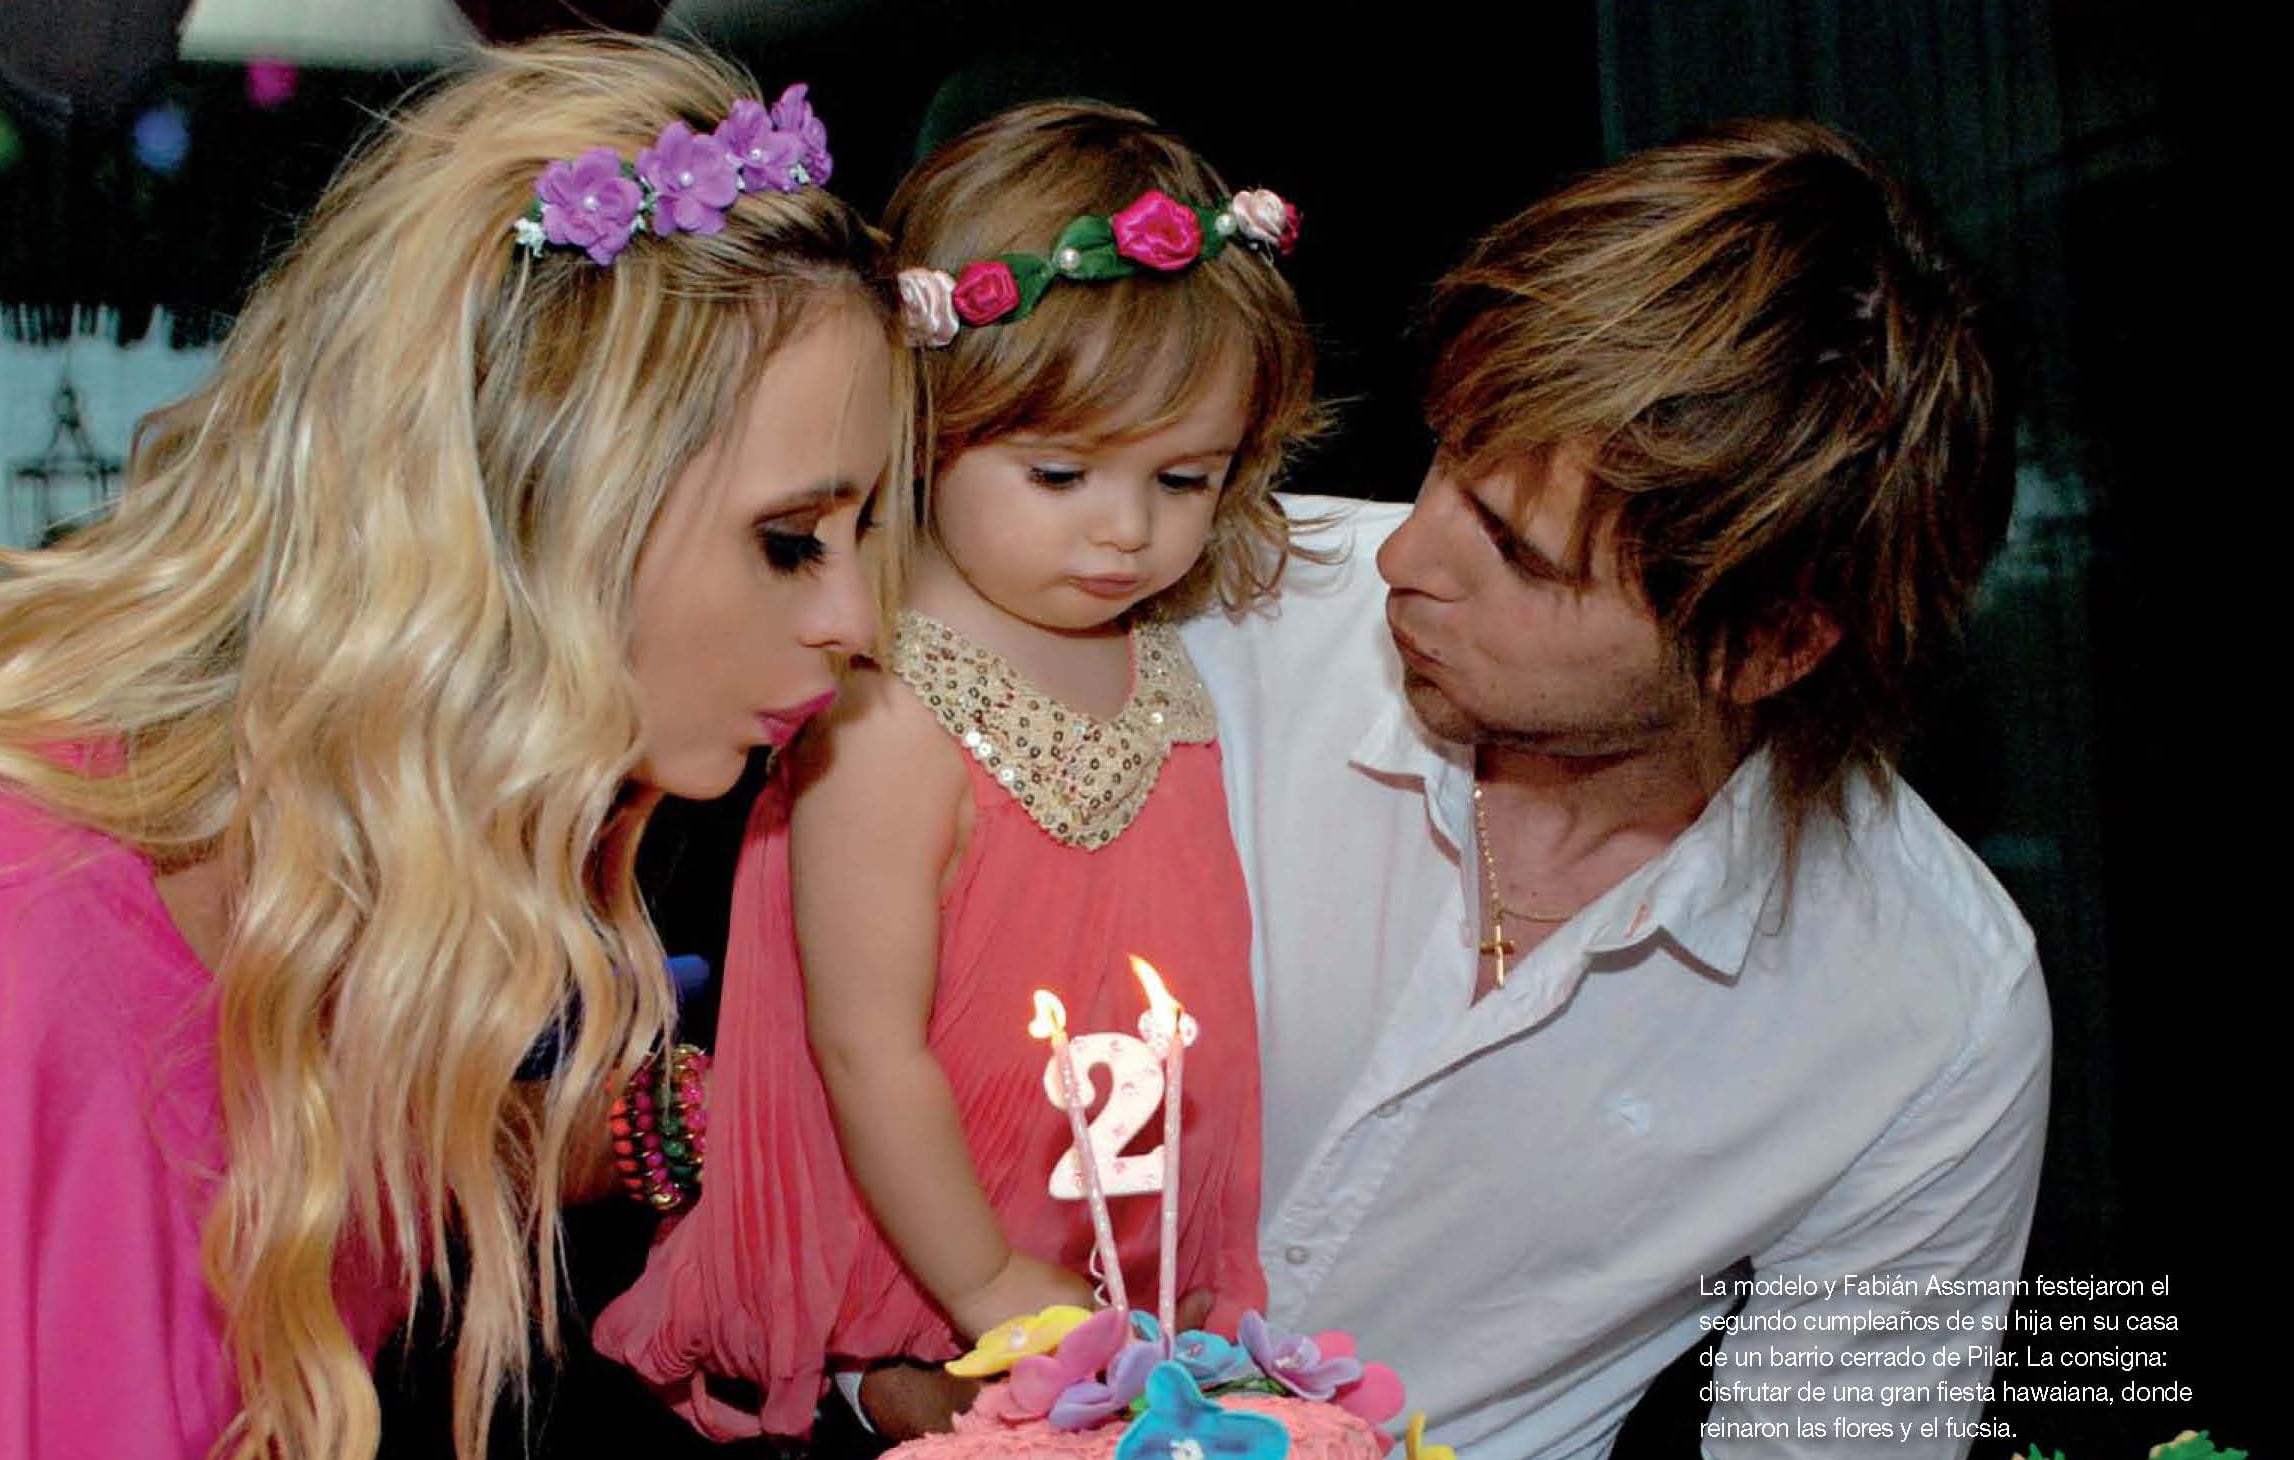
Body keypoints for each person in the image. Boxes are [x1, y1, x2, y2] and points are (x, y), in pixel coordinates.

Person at [0, 35, 909, 1460]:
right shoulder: (35, 951)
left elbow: (360, 1152)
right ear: (526, 509)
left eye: (867, 538)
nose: (855, 618)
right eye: (790, 540)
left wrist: (688, 1130)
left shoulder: (338, 880)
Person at [1176, 119, 2051, 1457]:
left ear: (1770, 644)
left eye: (1522, 558)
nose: (1405, 554)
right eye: (1449, 457)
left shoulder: (1928, 1005)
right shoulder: (1211, 613)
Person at [595, 101, 1320, 1440]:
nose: (1126, 531)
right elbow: (864, 1046)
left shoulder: (1165, 657)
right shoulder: (880, 705)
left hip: (1120, 1212)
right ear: (923, 425)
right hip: (939, 1252)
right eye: (1058, 472)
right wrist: (982, 1280)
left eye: (1184, 478)